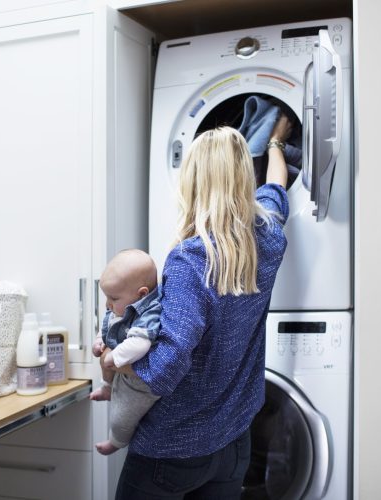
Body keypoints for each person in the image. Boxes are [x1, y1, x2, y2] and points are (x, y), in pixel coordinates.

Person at [113, 115, 292, 499]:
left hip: (171, 450)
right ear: (245, 177)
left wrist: (115, 360)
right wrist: (277, 142)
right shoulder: (271, 237)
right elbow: (277, 188)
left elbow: (166, 367)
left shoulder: (190, 259)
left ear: (192, 181)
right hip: (234, 444)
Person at [89, 248, 162, 456]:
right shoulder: (121, 305)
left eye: (113, 298)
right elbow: (108, 327)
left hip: (140, 383)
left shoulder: (150, 312)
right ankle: (106, 387)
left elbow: (140, 343)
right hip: (120, 369)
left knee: (121, 417)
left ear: (141, 294)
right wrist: (99, 341)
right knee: (106, 359)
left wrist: (114, 356)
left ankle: (116, 441)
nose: (107, 304)